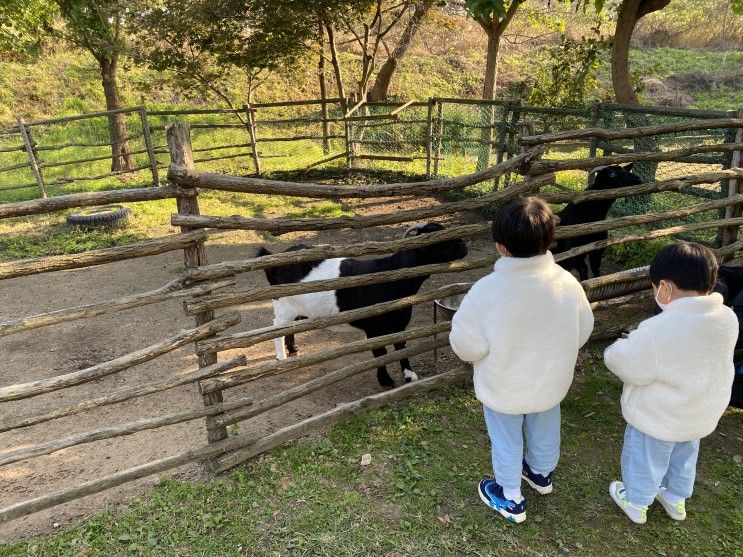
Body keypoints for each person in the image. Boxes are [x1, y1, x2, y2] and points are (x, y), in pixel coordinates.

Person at [449, 197, 594, 524]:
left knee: (506, 437)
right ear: (549, 240)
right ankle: (541, 474)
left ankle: (510, 496)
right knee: (545, 425)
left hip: (504, 386)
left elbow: (465, 346)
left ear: (500, 247)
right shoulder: (566, 284)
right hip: (551, 382)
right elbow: (583, 328)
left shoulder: (486, 291)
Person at [604, 242, 737, 524]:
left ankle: (637, 501)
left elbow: (626, 363)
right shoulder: (727, 319)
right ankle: (676, 498)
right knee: (685, 455)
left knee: (646, 456)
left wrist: (617, 347)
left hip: (660, 413)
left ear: (664, 287)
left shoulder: (659, 329)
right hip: (699, 411)